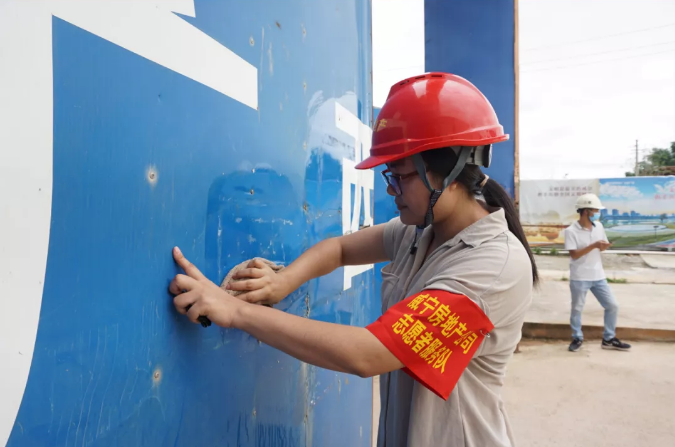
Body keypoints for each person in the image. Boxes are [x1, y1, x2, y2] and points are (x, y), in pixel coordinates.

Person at [169, 72, 537, 447]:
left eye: (401, 177)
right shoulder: (419, 232)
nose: (392, 190)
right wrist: (283, 282)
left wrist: (235, 312)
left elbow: (369, 354)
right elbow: (341, 249)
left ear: (453, 172)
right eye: (388, 176)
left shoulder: (493, 267)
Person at [563, 193, 631, 353]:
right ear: (586, 211)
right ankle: (577, 337)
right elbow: (574, 254)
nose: (597, 213)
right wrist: (593, 245)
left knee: (612, 305)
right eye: (595, 210)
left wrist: (603, 246)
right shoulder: (571, 231)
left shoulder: (599, 226)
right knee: (577, 309)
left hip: (598, 276)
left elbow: (601, 245)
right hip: (580, 277)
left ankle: (608, 338)